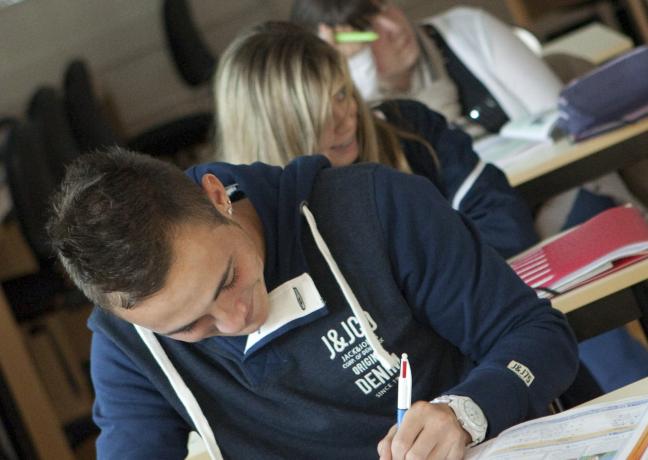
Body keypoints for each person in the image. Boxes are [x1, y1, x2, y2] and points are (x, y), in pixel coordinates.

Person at [48, 147, 578, 459]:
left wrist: (467, 411)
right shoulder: (127, 347)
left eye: (228, 278)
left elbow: (538, 336)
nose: (236, 319)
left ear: (217, 197)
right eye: (191, 327)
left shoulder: (373, 207)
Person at [290, 0, 648, 394]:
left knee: (587, 336)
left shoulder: (466, 32)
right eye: (365, 30)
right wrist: (360, 77)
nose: (391, 28)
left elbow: (565, 120)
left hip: (555, 206)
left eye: (385, 8)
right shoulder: (361, 123)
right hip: (483, 254)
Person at [214, 21, 537, 259]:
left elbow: (506, 224)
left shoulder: (410, 128)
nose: (345, 120)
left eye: (342, 94)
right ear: (269, 130)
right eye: (316, 114)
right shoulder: (251, 223)